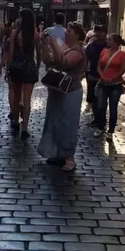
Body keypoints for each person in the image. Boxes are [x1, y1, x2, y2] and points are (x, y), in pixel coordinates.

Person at [38, 22, 86, 172]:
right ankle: (57, 153)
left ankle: (69, 157)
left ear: (77, 34)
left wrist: (53, 43)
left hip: (71, 91)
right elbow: (47, 60)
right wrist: (44, 45)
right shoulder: (64, 46)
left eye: (69, 31)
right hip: (57, 89)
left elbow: (63, 63)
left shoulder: (78, 51)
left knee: (68, 122)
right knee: (55, 121)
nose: (66, 32)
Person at [8, 8, 41, 139]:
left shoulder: (15, 33)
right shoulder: (35, 35)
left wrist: (8, 69)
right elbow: (38, 54)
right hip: (29, 67)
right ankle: (25, 128)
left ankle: (16, 122)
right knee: (27, 99)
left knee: (17, 97)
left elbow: (11, 53)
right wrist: (37, 67)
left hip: (17, 66)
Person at [94, 34, 125, 141]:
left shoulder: (122, 54)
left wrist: (114, 77)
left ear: (116, 42)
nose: (107, 41)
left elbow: (122, 69)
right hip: (103, 83)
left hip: (115, 85)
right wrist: (102, 76)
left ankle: (111, 131)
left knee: (113, 108)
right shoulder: (104, 51)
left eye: (110, 40)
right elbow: (99, 66)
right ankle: (101, 126)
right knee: (100, 106)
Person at [85, 25, 108, 125]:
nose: (99, 34)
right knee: (94, 98)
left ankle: (102, 119)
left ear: (105, 33)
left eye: (101, 31)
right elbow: (86, 60)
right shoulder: (91, 46)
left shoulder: (109, 46)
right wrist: (84, 71)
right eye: (97, 31)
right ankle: (96, 118)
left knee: (103, 99)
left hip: (106, 76)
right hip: (93, 75)